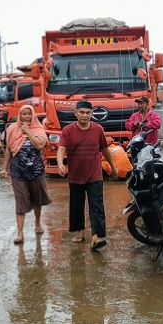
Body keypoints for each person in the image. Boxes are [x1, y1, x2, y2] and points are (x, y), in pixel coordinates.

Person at [57, 101, 116, 250]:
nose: (85, 115)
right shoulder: (68, 131)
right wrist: (60, 164)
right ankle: (79, 233)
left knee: (97, 205)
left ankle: (98, 236)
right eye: (82, 112)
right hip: (76, 175)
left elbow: (104, 149)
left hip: (94, 174)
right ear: (76, 113)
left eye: (88, 113)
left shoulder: (98, 129)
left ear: (92, 114)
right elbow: (61, 148)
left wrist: (113, 167)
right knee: (76, 206)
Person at [0, 105, 52, 244]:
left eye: (29, 114)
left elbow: (40, 145)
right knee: (20, 200)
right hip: (18, 171)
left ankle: (37, 223)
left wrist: (28, 132)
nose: (27, 117)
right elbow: (9, 150)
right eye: (24, 114)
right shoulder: (11, 129)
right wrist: (5, 168)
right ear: (19, 115)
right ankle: (20, 233)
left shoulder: (39, 129)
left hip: (36, 171)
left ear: (33, 115)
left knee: (37, 199)